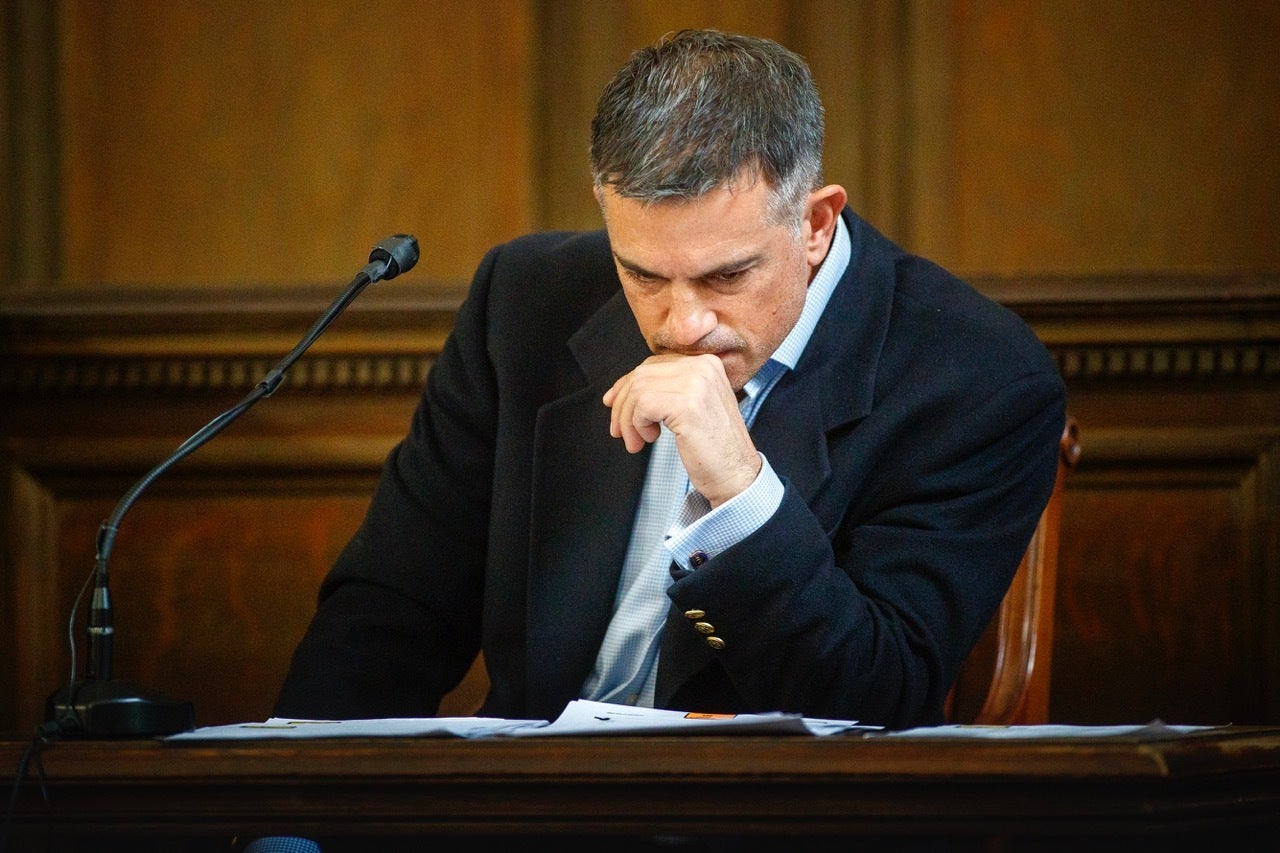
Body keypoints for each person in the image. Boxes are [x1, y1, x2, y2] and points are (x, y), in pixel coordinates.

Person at [274, 28, 1066, 733]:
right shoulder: (525, 301)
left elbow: (877, 697)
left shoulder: (977, 376)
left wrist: (744, 496)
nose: (682, 324)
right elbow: (391, 612)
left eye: (728, 275)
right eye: (643, 273)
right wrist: (289, 825)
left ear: (816, 225)